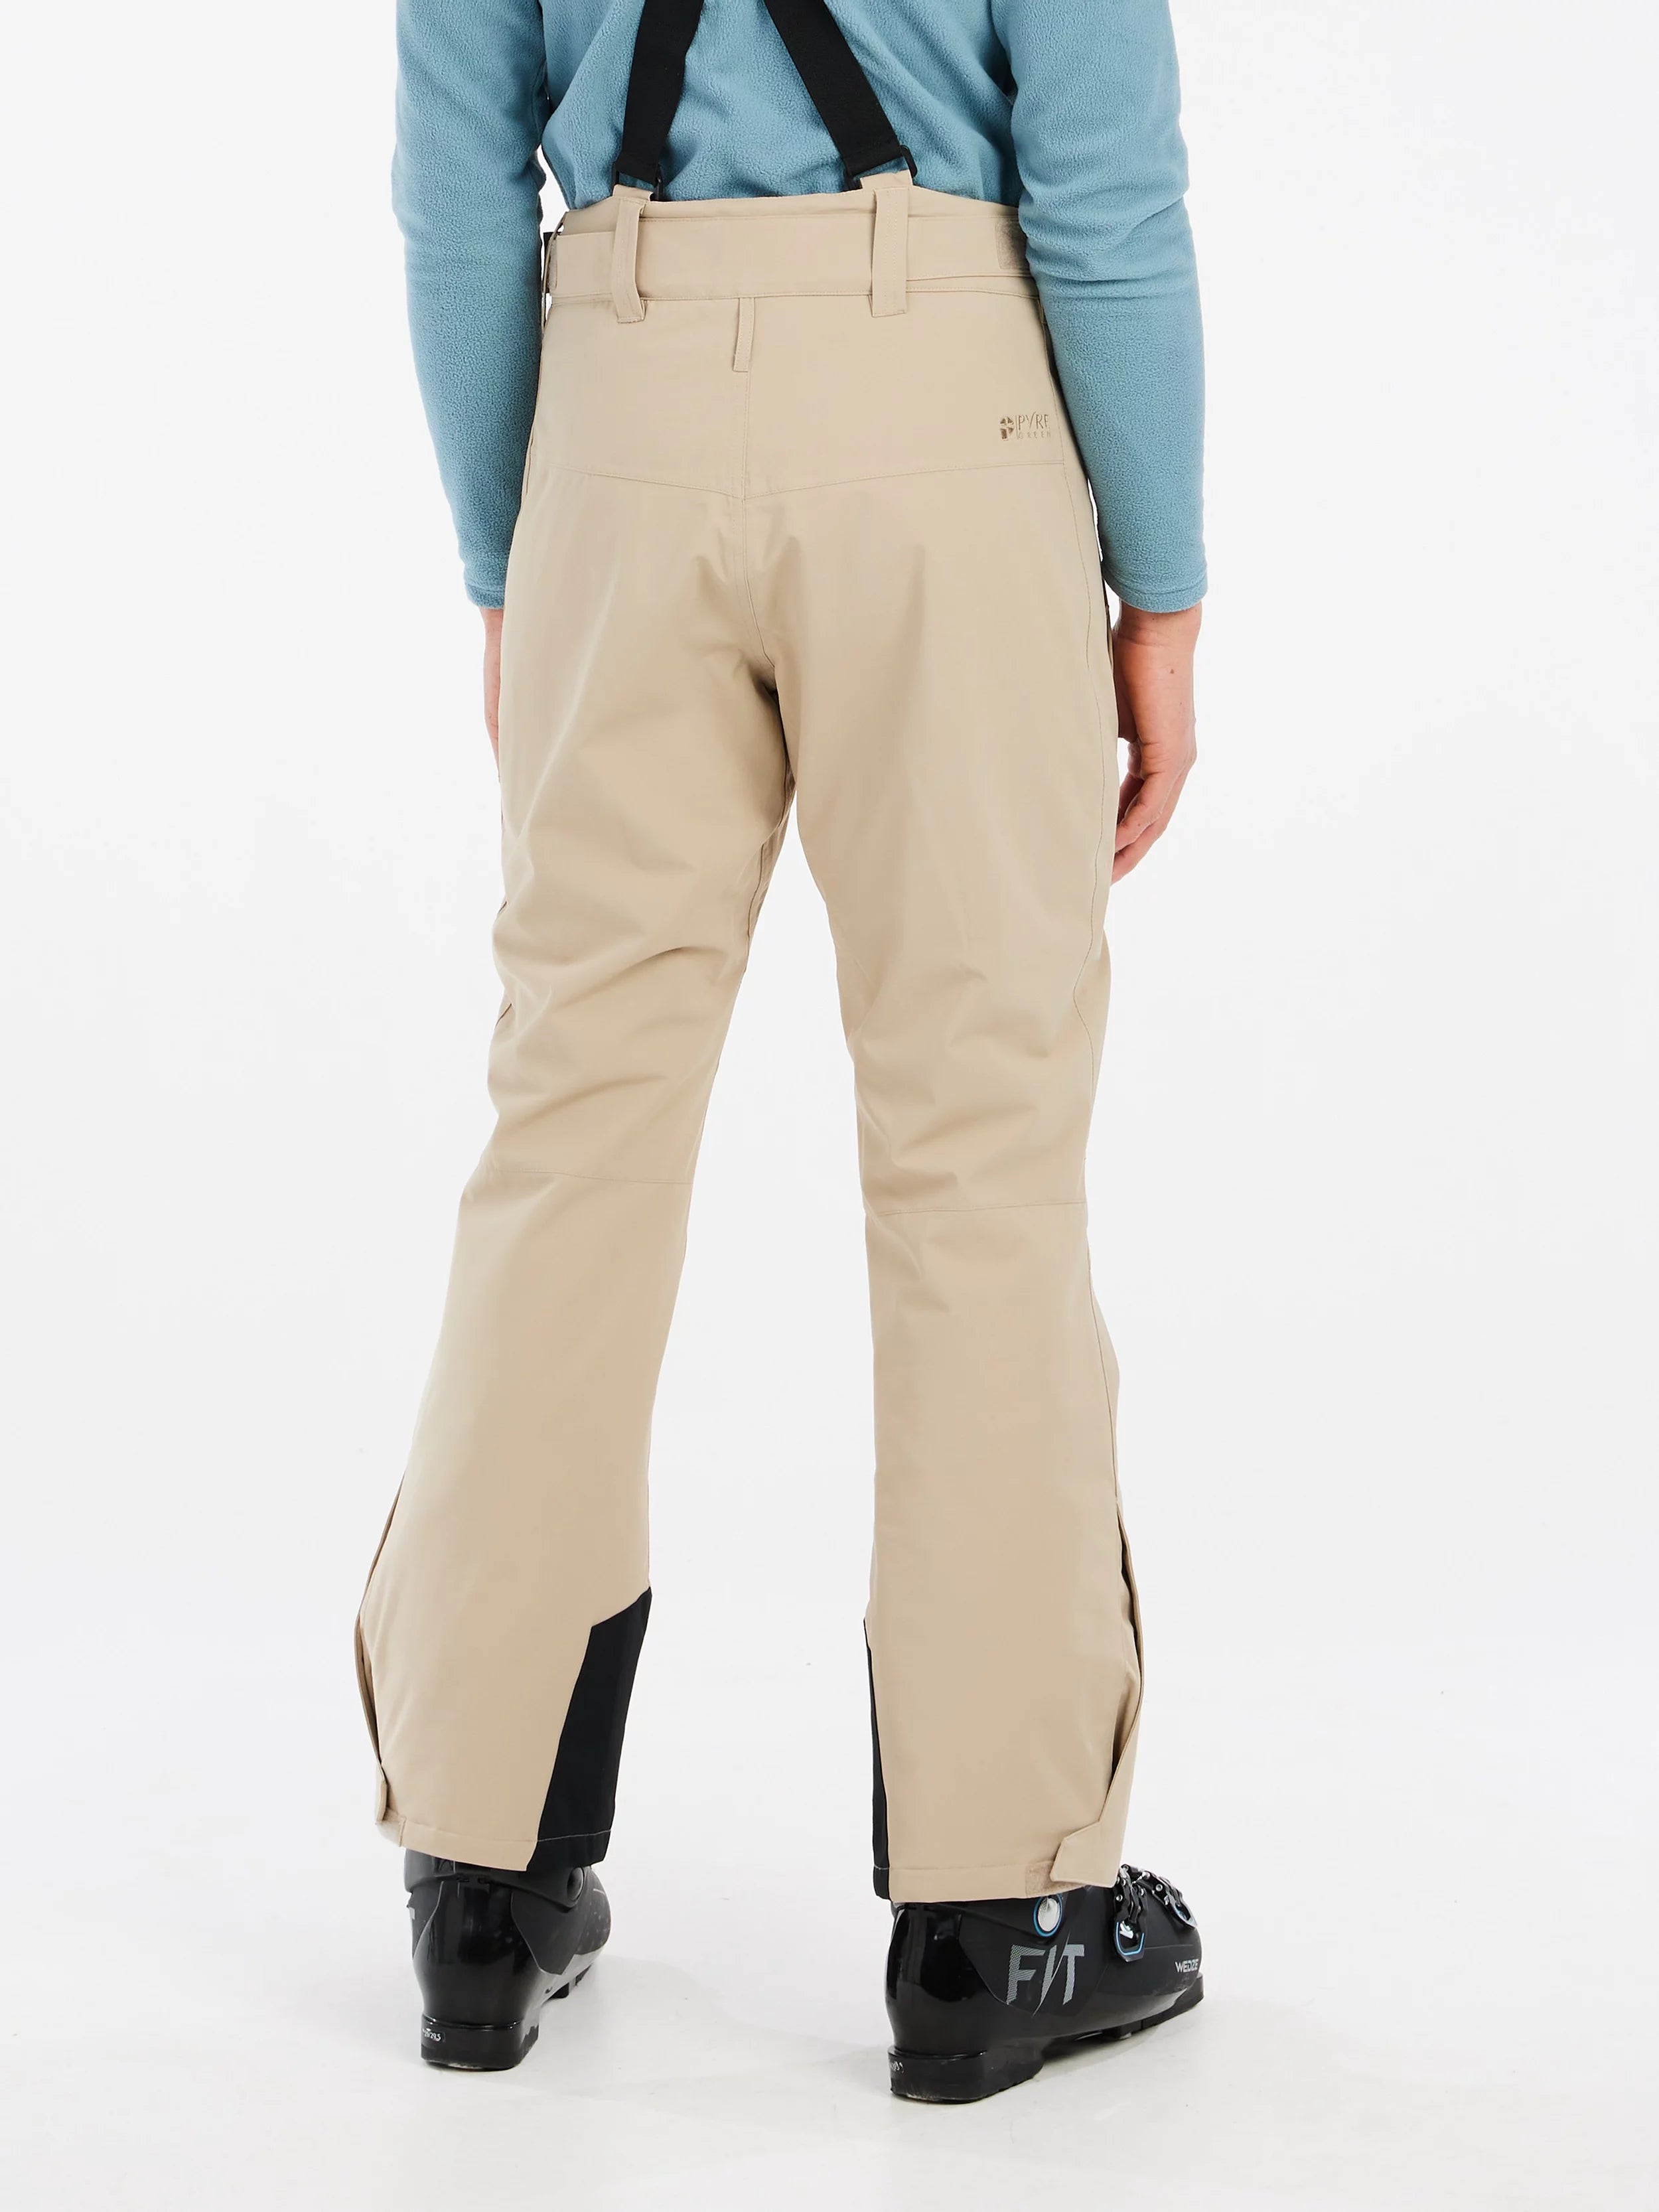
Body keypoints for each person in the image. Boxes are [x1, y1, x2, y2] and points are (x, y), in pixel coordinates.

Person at [356, 0, 1206, 2102]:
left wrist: (509, 555)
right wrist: (1161, 591)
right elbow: (1102, 195)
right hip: (944, 422)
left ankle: (482, 1874)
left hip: (615, 414)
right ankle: (998, 1915)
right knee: (974, 1147)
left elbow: (457, 187)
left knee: (573, 1133)